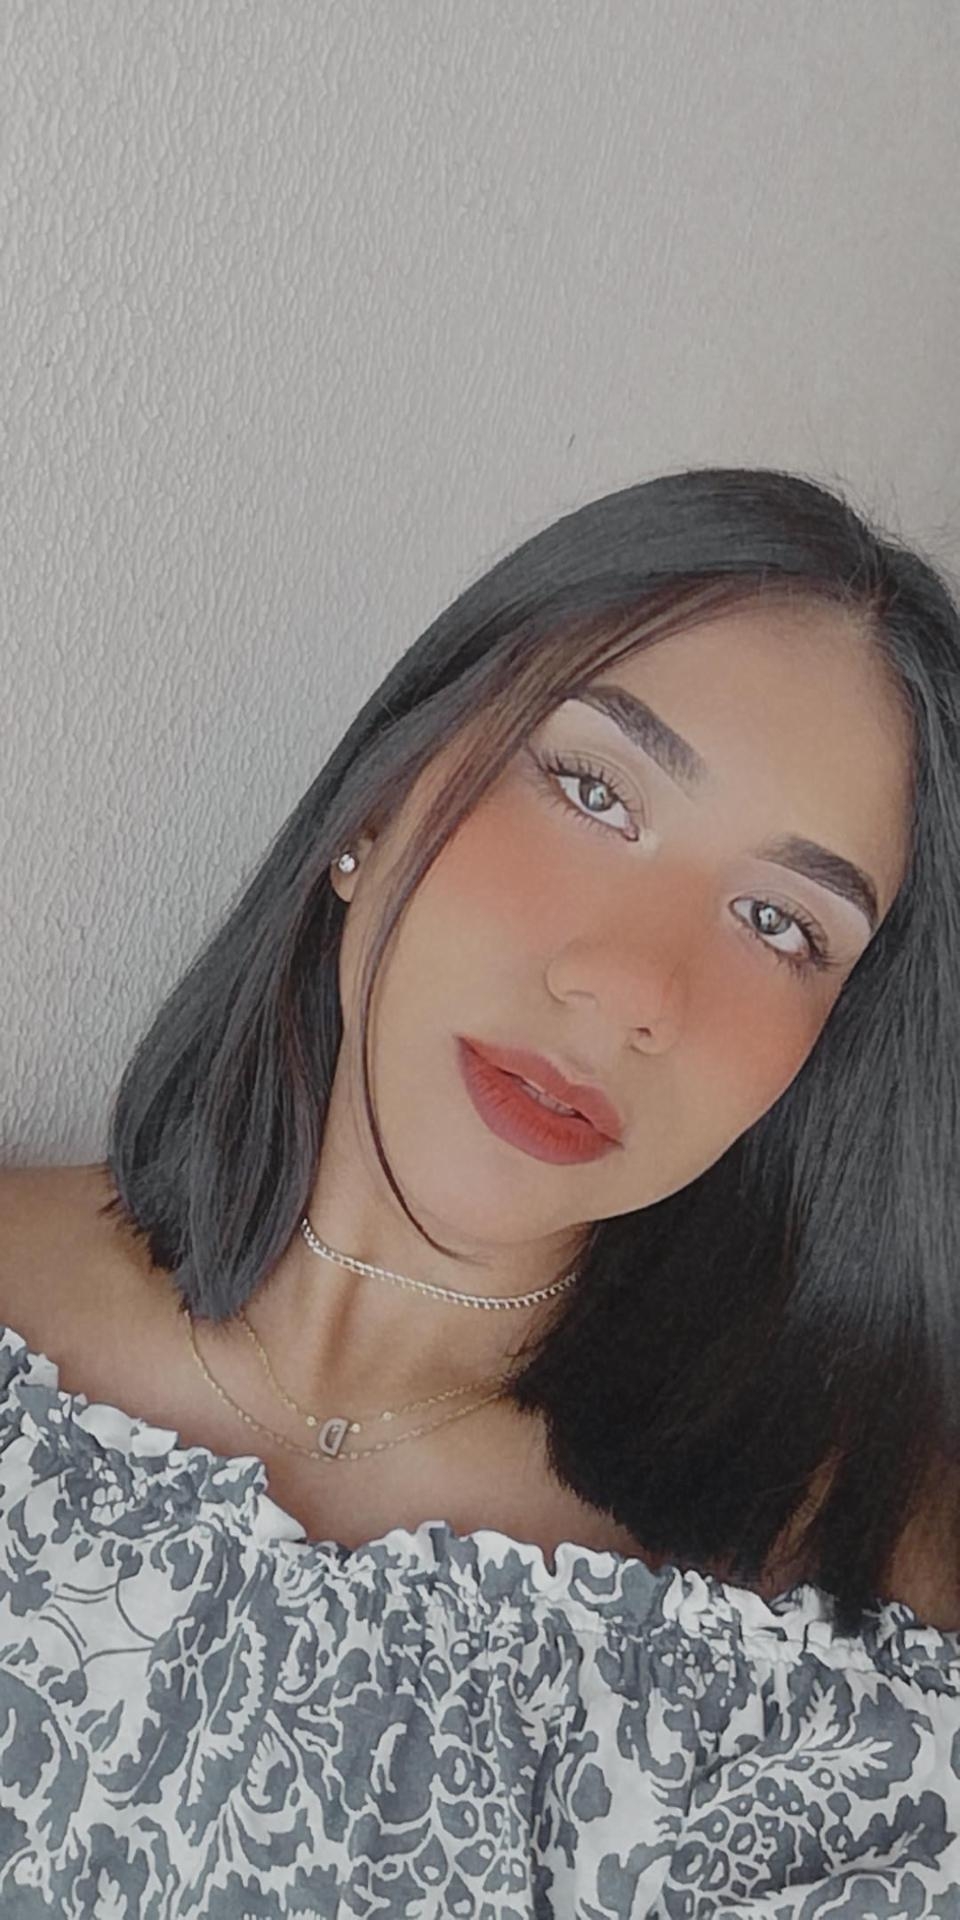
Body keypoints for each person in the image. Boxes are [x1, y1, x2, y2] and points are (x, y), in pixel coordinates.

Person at [2, 465, 960, 1915]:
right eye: (594, 790)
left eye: (779, 923)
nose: (631, 988)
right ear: (380, 799)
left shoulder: (838, 1647)